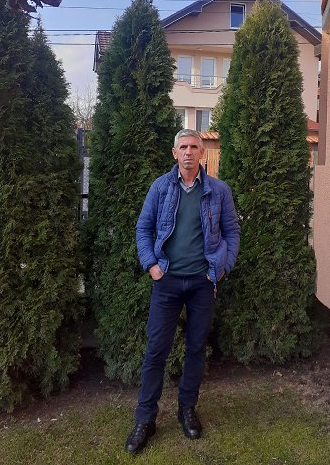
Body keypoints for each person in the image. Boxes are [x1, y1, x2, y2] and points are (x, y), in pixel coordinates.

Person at [125, 129, 240, 455]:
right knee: (155, 351)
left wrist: (223, 267)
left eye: (193, 147)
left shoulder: (218, 190)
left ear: (202, 153)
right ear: (174, 153)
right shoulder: (160, 188)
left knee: (195, 349)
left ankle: (187, 409)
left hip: (203, 283)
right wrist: (151, 265)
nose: (188, 152)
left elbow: (232, 231)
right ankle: (145, 419)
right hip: (168, 282)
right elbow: (143, 228)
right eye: (183, 147)